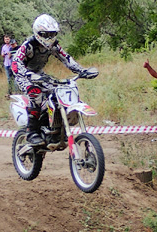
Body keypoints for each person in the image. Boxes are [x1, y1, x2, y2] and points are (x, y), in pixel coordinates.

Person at [12, 15, 98, 146]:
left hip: (40, 74)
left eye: (52, 34)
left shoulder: (53, 46)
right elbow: (15, 64)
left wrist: (82, 71)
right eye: (45, 34)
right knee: (36, 94)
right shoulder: (28, 45)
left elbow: (67, 59)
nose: (48, 37)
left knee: (57, 93)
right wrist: (30, 75)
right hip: (23, 76)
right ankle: (31, 132)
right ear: (38, 32)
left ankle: (53, 128)